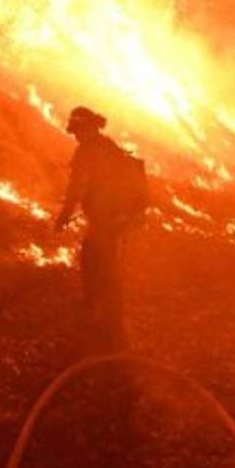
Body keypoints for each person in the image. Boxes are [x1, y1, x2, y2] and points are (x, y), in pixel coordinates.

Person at [54, 106, 145, 353]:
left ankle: (109, 322)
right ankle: (101, 311)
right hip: (119, 217)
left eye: (78, 131)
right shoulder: (108, 145)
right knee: (99, 260)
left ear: (88, 128)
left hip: (107, 218)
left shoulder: (88, 151)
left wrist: (64, 216)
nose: (76, 136)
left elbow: (75, 188)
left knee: (100, 263)